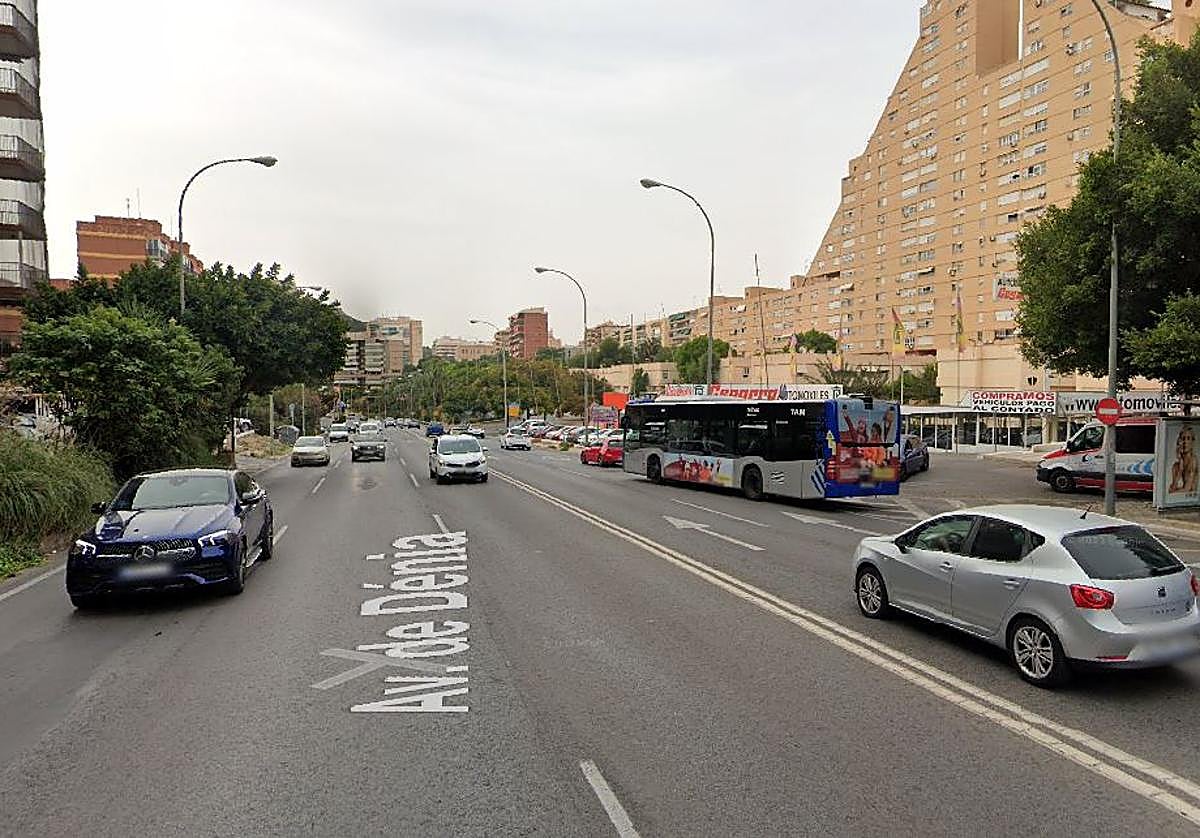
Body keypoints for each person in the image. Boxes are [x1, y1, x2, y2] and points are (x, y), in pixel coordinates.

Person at [1168, 426, 1198, 494]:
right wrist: (1180, 469)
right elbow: (1173, 487)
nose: (1185, 442)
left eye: (1188, 438)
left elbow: (1187, 489)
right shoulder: (1176, 466)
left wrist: (1173, 491)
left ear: (1192, 441)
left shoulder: (1193, 461)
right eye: (1183, 439)